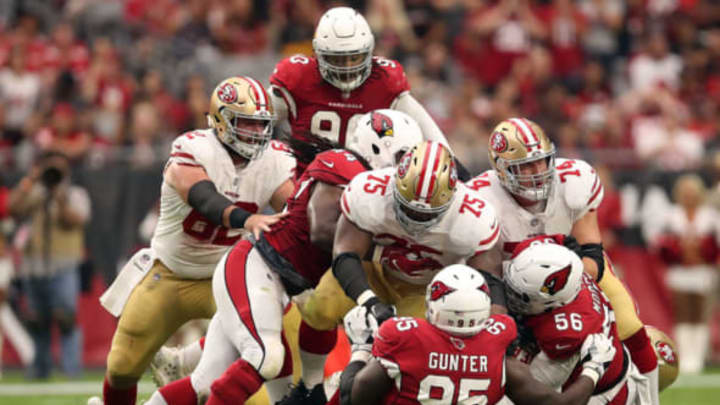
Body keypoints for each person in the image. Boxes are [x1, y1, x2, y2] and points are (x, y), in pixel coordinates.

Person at [142, 110, 425, 405]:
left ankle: (311, 385)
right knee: (266, 358)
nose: (408, 168)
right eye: (405, 157)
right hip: (257, 266)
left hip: (281, 282)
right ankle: (310, 386)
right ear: (378, 147)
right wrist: (384, 250)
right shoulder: (345, 166)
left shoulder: (369, 183)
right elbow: (322, 231)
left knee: (205, 381)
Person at [90, 76, 297, 405]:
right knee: (121, 368)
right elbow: (204, 198)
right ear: (220, 119)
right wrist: (248, 219)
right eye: (246, 124)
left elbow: (293, 207)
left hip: (229, 276)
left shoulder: (274, 159)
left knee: (255, 354)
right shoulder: (193, 148)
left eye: (261, 125)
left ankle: (184, 360)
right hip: (170, 272)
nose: (256, 133)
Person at [286, 140, 502, 403]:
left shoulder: (474, 217)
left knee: (415, 355)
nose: (415, 219)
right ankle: (310, 385)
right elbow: (345, 255)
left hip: (432, 289)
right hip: (376, 271)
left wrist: (497, 328)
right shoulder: (370, 190)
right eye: (408, 206)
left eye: (426, 213)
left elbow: (488, 280)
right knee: (320, 307)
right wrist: (369, 301)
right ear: (395, 182)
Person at [467, 117, 664, 402]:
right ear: (502, 169)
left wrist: (561, 279)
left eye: (542, 161)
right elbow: (487, 275)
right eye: (525, 165)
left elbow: (593, 259)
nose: (537, 172)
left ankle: (651, 398)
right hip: (508, 284)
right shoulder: (482, 200)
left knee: (629, 322)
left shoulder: (574, 180)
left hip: (574, 271)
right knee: (498, 346)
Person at [333, 264, 617, 405]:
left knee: (337, 385)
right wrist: (593, 368)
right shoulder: (497, 342)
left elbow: (354, 396)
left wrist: (360, 348)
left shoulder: (404, 336)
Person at [268, 7, 456, 176]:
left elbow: (431, 135)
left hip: (367, 185)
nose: (347, 68)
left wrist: (453, 168)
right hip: (305, 182)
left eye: (354, 58)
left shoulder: (384, 82)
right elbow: (255, 119)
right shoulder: (300, 78)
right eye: (338, 59)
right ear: (319, 54)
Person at [503, 237, 649, 404]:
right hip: (608, 359)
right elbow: (559, 239)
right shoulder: (542, 255)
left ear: (554, 303)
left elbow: (541, 397)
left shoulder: (565, 332)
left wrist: (592, 370)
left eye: (520, 297)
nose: (509, 296)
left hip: (599, 393)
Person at [8, 151, 90, 379]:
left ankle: (71, 370)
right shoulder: (34, 192)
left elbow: (76, 219)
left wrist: (59, 197)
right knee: (37, 322)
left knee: (66, 319)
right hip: (33, 266)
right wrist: (31, 180)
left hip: (63, 265)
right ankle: (40, 370)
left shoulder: (75, 194)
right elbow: (12, 208)